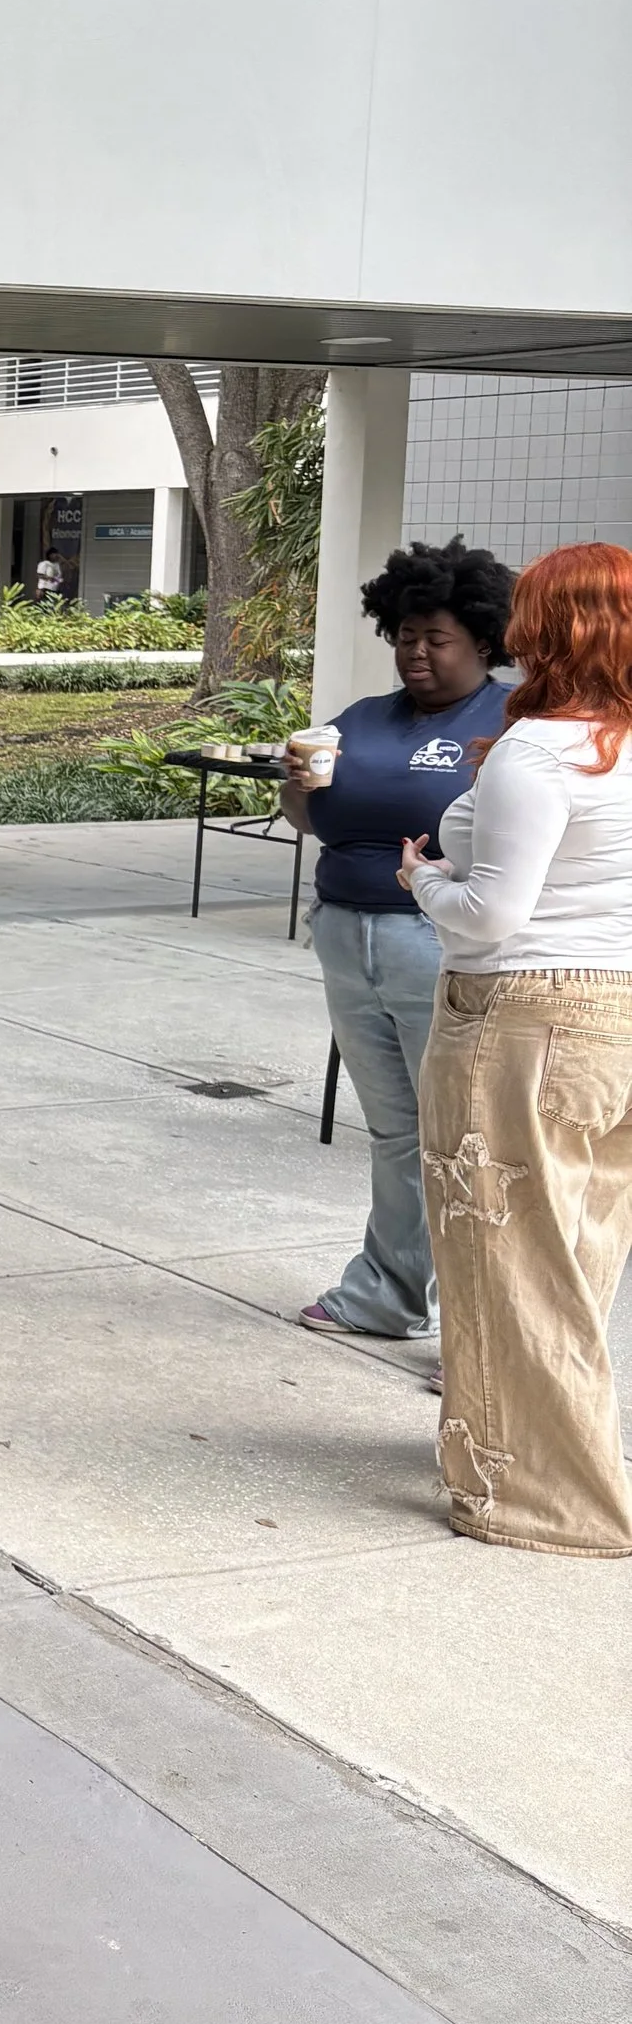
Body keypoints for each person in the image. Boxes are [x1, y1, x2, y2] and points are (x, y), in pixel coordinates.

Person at [403, 542, 632, 1556]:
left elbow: (491, 914)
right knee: (579, 1255)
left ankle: (539, 1499)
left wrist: (421, 881)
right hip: (616, 1014)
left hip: (521, 1016)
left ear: (549, 627)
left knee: (503, 1258)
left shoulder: (540, 751)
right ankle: (545, 1453)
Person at [282, 539, 513, 1345]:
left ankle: (478, 1333)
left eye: (435, 637)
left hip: (441, 943)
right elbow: (318, 820)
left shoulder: (509, 722)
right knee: (395, 1130)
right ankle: (388, 1290)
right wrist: (297, 786)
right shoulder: (362, 720)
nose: (416, 651)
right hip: (347, 937)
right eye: (405, 634)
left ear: (483, 640)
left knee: (461, 1134)